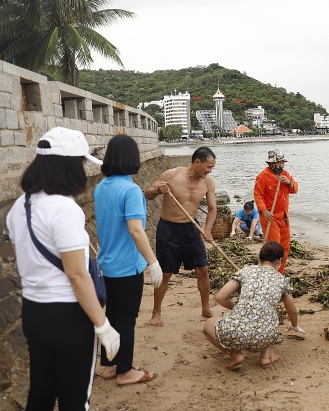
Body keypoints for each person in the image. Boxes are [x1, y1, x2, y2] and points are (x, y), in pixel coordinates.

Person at [7, 127, 121, 409]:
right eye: (82, 163)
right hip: (69, 316)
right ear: (69, 166)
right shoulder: (64, 209)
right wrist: (102, 325)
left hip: (34, 311)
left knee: (41, 392)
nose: (84, 170)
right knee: (74, 398)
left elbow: (24, 259)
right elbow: (76, 274)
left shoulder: (19, 206)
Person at [94, 135, 161, 385]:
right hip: (126, 266)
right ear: (132, 158)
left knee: (112, 316)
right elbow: (136, 229)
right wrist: (153, 262)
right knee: (126, 320)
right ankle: (125, 372)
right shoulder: (130, 189)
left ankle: (110, 366)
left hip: (106, 263)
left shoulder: (101, 187)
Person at [145, 146, 218, 326]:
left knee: (202, 269)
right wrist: (157, 190)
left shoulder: (208, 182)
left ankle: (206, 308)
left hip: (192, 230)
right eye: (208, 167)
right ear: (197, 162)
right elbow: (147, 194)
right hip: (168, 229)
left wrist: (207, 230)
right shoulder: (171, 175)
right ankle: (156, 312)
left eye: (212, 168)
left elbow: (212, 208)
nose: (209, 171)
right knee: (165, 272)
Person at [203, 241, 304, 369]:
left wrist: (238, 308)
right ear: (279, 261)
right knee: (269, 315)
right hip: (265, 337)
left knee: (208, 325)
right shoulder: (281, 280)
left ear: (259, 257)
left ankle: (234, 354)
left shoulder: (246, 271)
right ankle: (266, 356)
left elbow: (220, 297)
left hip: (235, 333)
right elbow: (293, 311)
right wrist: (294, 325)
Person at [254, 149, 298, 273]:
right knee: (274, 247)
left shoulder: (286, 174)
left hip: (284, 217)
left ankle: (280, 273)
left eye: (282, 162)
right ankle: (270, 272)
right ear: (271, 164)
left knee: (285, 247)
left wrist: (289, 183)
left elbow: (295, 189)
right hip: (270, 217)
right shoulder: (263, 176)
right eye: (278, 163)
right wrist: (263, 210)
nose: (280, 165)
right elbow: (258, 195)